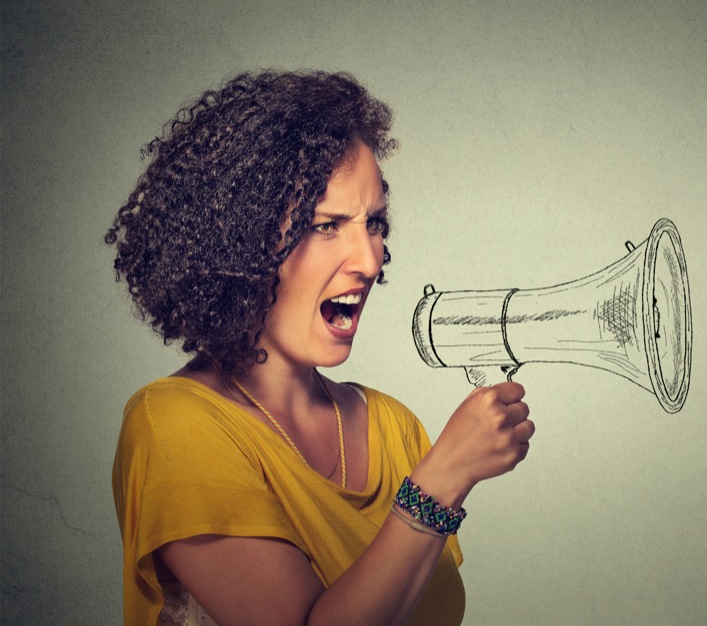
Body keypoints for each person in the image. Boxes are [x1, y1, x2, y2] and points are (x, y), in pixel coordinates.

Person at [105, 70, 535, 625]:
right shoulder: (172, 426)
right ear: (240, 240)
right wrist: (441, 481)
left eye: (374, 223)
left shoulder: (392, 426)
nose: (370, 259)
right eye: (327, 225)